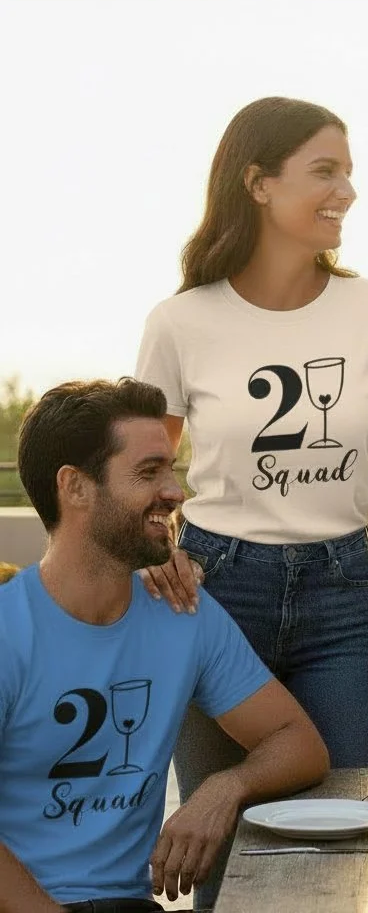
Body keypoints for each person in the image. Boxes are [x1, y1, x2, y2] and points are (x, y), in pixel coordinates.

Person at [134, 95, 368, 907]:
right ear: (259, 183)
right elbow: (146, 471)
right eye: (324, 172)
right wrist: (159, 552)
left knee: (343, 842)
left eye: (349, 173)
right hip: (214, 593)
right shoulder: (181, 321)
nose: (346, 192)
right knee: (222, 849)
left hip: (342, 598)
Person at [0, 379, 329, 913]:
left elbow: (301, 744)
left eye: (171, 471)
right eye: (149, 472)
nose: (175, 492)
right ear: (75, 487)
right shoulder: (8, 629)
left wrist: (225, 788)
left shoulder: (183, 615)